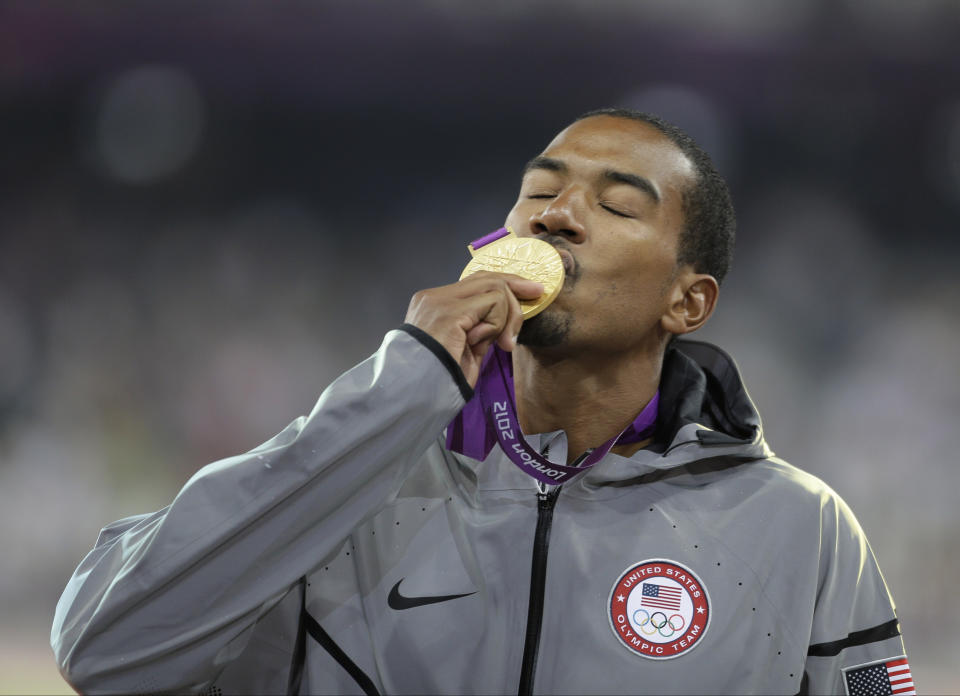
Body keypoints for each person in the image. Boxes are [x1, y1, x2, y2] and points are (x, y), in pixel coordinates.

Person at [52, 108, 913, 695]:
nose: (559, 215)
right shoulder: (348, 489)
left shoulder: (804, 529)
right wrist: (393, 399)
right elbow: (106, 651)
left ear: (687, 303)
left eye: (615, 205)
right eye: (539, 194)